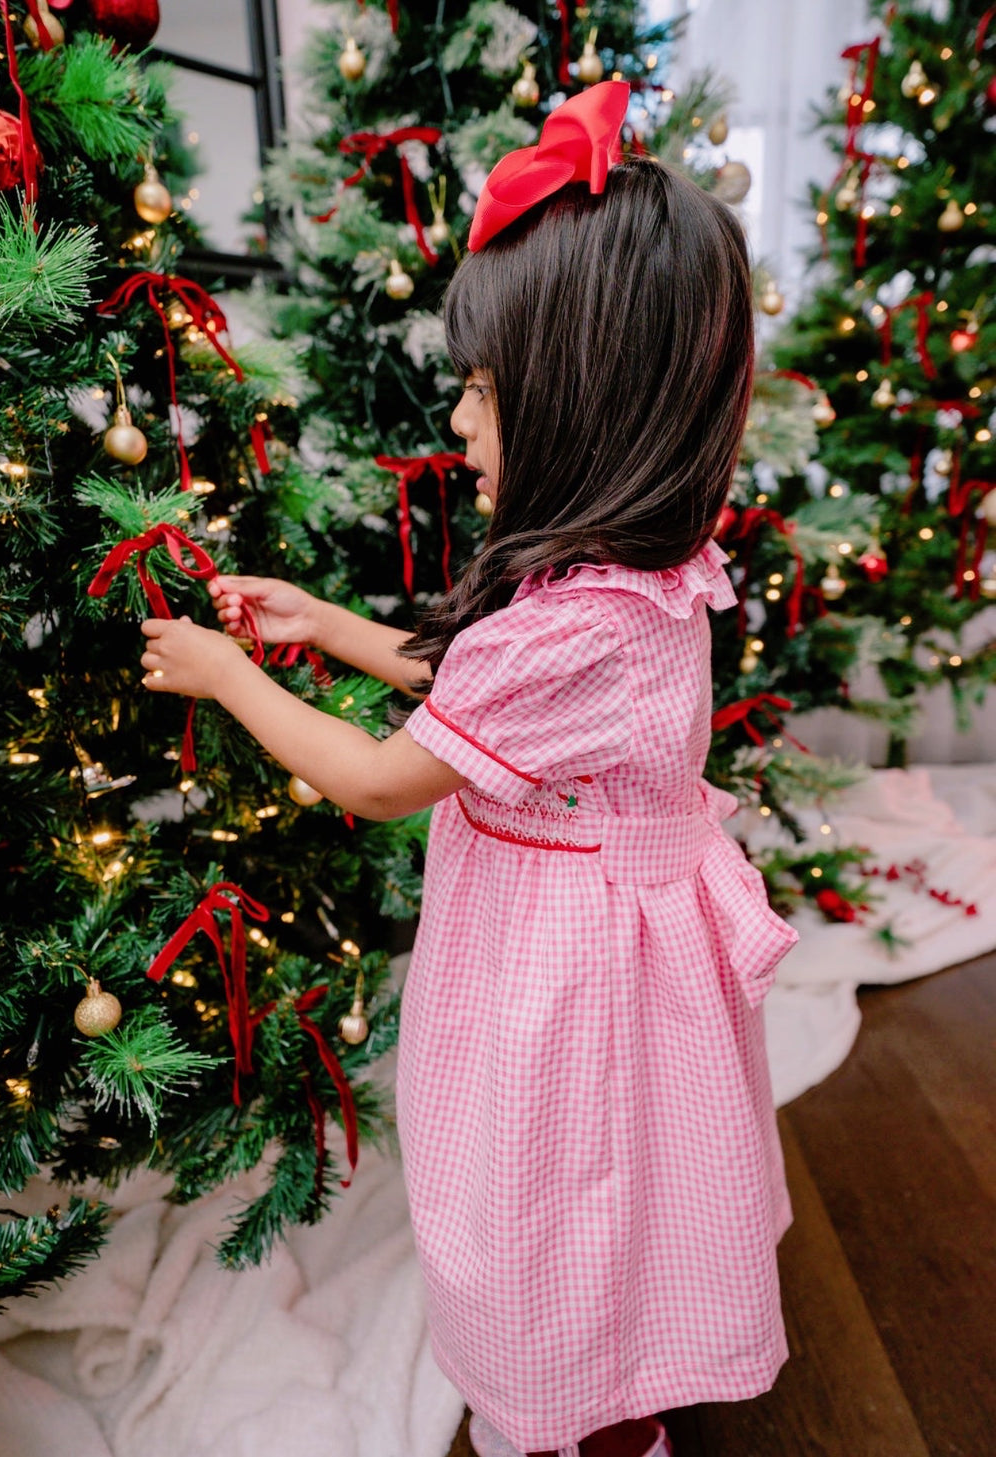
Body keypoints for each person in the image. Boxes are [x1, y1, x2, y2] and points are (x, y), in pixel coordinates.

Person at [140, 81, 798, 1457]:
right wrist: (333, 628)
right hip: (608, 945)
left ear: (580, 405)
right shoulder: (635, 582)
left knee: (551, 1199)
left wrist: (237, 675)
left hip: (556, 982)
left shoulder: (573, 620)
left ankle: (583, 1413)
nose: (458, 419)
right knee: (611, 1194)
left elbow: (387, 778)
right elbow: (481, 699)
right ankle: (592, 1394)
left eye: (485, 390)